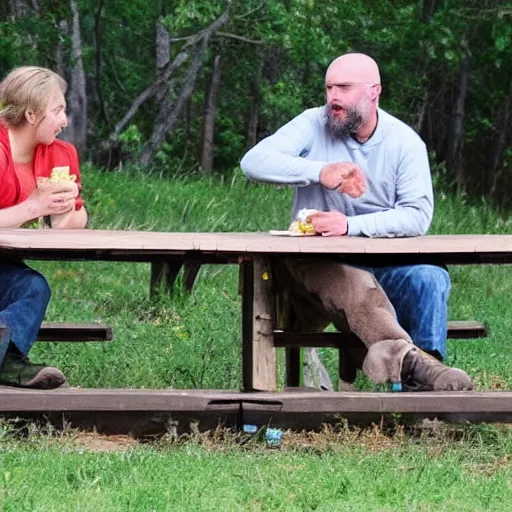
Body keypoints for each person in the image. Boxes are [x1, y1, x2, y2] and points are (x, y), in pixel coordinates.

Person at [241, 53, 472, 391]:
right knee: (355, 281)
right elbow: (253, 162)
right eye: (329, 88)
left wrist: (350, 226)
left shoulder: (404, 142)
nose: (333, 97)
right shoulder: (312, 124)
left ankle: (423, 396)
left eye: (344, 88)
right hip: (319, 264)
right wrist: (320, 172)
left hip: (385, 261)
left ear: (373, 91)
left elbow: (417, 216)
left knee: (430, 278)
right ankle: (419, 367)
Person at [0, 66, 87, 389]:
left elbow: (72, 222)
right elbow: (34, 209)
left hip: (4, 263)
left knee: (33, 288)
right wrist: (33, 207)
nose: (65, 121)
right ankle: (11, 364)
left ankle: (7, 361)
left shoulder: (60, 154)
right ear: (32, 114)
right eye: (58, 110)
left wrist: (67, 209)